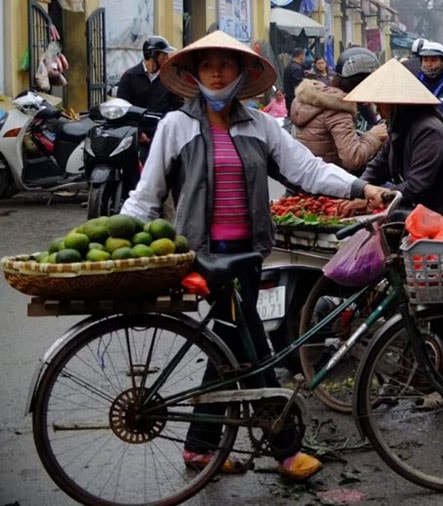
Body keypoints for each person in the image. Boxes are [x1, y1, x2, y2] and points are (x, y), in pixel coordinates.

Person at [119, 30, 386, 481]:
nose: (217, 72)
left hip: (248, 256)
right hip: (201, 258)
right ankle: (285, 448)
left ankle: (201, 450)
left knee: (227, 348)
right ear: (194, 73)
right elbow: (145, 199)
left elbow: (307, 169)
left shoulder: (260, 126)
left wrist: (361, 187)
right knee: (254, 351)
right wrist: (119, 246)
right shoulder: (176, 127)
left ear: (241, 74)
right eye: (208, 65)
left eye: (226, 64)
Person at [347, 58, 443, 220]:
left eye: (380, 102)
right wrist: (362, 189)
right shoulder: (399, 127)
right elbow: (379, 167)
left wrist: (382, 196)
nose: (377, 108)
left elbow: (417, 185)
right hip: (429, 214)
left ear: (396, 102)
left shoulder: (428, 130)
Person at [290, 47, 388, 175]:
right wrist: (374, 136)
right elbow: (352, 159)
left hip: (301, 179)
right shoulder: (338, 110)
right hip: (325, 184)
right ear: (361, 84)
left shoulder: (317, 98)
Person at [116, 35, 183, 116]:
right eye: (164, 54)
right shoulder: (129, 77)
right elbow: (122, 107)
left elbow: (178, 106)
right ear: (153, 54)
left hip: (162, 126)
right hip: (135, 127)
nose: (167, 58)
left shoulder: (170, 78)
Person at [282, 47, 307, 113]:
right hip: (295, 100)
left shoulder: (288, 67)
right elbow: (298, 86)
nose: (305, 58)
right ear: (301, 56)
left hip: (288, 99)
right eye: (304, 56)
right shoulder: (296, 68)